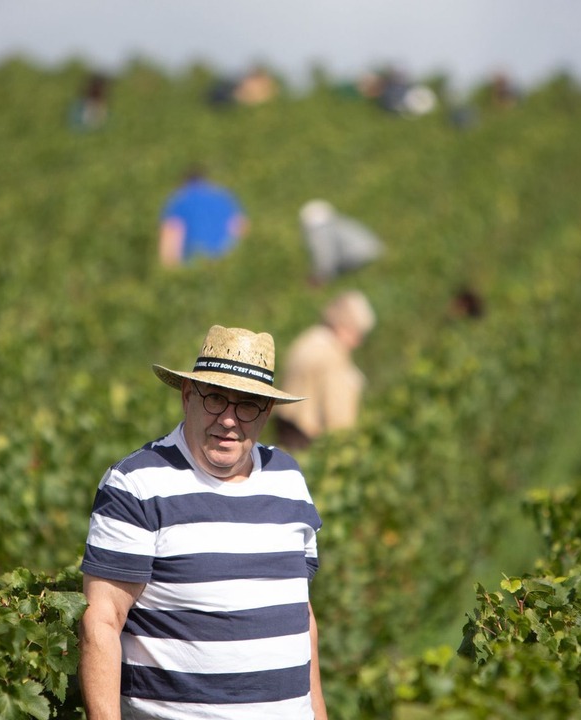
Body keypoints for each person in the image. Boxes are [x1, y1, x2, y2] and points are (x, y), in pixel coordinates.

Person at [79, 325, 328, 719]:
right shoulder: (137, 484)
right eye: (215, 399)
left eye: (247, 404)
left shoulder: (289, 479)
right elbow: (102, 622)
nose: (229, 420)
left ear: (267, 412)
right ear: (187, 397)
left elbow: (301, 616)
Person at [273, 291, 376, 450]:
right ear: (345, 325)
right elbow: (338, 414)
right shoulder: (332, 355)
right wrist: (345, 446)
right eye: (358, 334)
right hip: (306, 438)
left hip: (285, 429)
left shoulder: (308, 339)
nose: (358, 342)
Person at [158, 168, 249, 268]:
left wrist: (169, 271)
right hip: (225, 264)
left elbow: (171, 233)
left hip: (193, 265)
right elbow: (241, 227)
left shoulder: (178, 200)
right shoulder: (224, 196)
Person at [298, 200, 385, 286]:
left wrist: (319, 278)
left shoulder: (319, 230)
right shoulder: (339, 222)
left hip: (359, 260)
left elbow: (325, 255)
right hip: (373, 254)